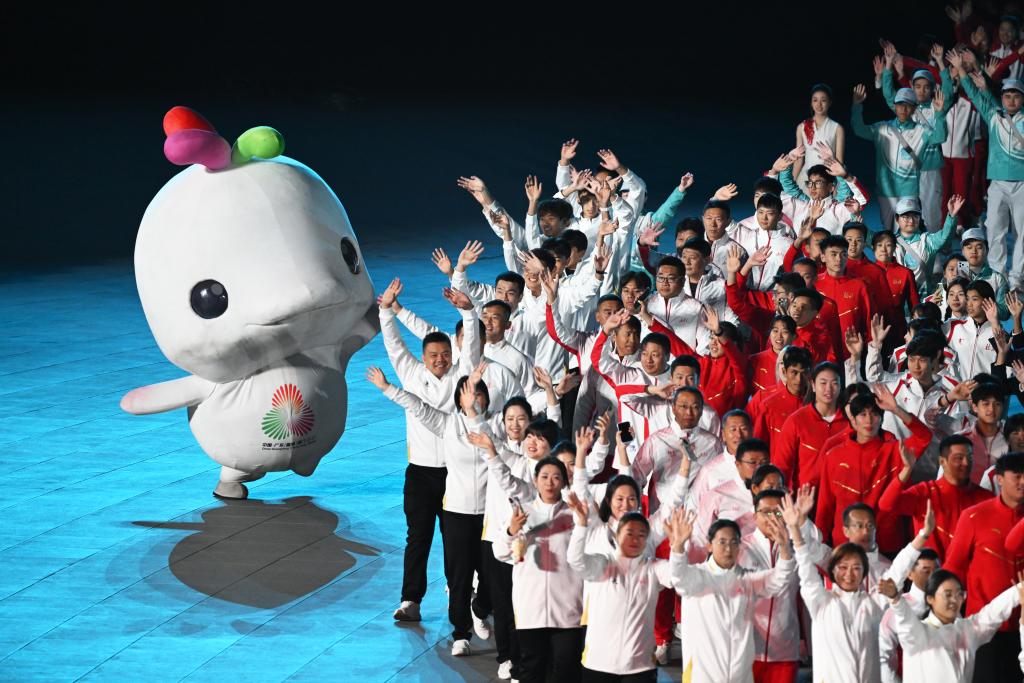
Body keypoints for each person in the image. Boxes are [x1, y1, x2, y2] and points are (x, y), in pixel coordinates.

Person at [367, 363, 494, 656]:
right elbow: (418, 407)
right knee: (459, 576)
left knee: (491, 573)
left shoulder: (495, 426)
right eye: (469, 395)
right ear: (458, 400)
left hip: (491, 513)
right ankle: (461, 633)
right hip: (458, 511)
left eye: (479, 395)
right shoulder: (448, 425)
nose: (474, 400)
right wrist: (387, 388)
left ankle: (481, 606)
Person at [377, 279, 481, 623]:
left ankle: (459, 595)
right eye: (433, 355)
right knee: (418, 537)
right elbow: (394, 345)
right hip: (420, 473)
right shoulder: (410, 373)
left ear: (453, 355)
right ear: (423, 357)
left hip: (456, 473)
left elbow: (472, 349)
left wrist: (469, 312)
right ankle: (411, 600)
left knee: (455, 540)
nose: (440, 360)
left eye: (445, 354)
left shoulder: (462, 376)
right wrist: (386, 311)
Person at [566, 501, 684, 682]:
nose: (635, 539)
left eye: (641, 535)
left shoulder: (653, 568)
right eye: (629, 533)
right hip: (598, 664)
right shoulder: (603, 564)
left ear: (647, 540)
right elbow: (576, 561)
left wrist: (677, 549)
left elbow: (679, 579)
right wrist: (581, 526)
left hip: (640, 666)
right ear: (616, 535)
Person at [671, 510, 795, 683]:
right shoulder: (697, 576)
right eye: (722, 542)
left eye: (734, 542)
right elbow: (678, 577)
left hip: (741, 676)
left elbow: (780, 578)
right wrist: (678, 547)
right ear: (709, 545)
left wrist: (784, 547)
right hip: (703, 677)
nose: (728, 549)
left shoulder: (747, 580)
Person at [491, 456, 584, 683]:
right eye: (544, 477)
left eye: (556, 477)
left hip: (568, 610)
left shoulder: (575, 515)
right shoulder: (522, 514)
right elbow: (500, 552)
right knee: (532, 668)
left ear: (565, 481)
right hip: (530, 609)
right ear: (535, 480)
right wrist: (511, 531)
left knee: (565, 669)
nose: (550, 482)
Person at [786, 494, 894, 683]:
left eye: (870, 526)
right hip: (837, 653)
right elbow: (808, 549)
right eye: (859, 526)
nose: (865, 531)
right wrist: (800, 522)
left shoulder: (887, 568)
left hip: (877, 650)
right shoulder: (833, 558)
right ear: (846, 530)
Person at [815, 388, 932, 554]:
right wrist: (820, 547)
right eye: (862, 414)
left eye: (875, 414)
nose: (869, 420)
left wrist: (896, 409)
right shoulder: (834, 456)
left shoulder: (895, 451)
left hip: (887, 545)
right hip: (844, 547)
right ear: (853, 420)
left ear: (882, 418)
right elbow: (824, 507)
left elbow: (924, 437)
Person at [945, 452, 1024, 682]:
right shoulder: (973, 516)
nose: (1023, 482)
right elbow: (953, 568)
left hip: (1022, 626)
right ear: (999, 478)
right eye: (1017, 476)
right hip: (983, 628)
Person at [949, 50, 1024, 289]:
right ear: (1001, 97)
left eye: (1016, 96)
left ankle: (1017, 278)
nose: (1011, 101)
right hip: (998, 184)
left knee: (1022, 233)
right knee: (994, 231)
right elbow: (973, 93)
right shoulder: (993, 115)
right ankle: (998, 276)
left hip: (1022, 183)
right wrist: (962, 70)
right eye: (1007, 96)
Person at [880, 567, 1024, 682]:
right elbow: (906, 621)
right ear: (930, 598)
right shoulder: (919, 633)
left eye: (959, 594)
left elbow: (993, 613)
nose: (954, 600)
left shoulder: (966, 630)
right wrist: (896, 599)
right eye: (948, 594)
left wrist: (1020, 589)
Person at [851, 81, 948, 231]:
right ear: (895, 106)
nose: (903, 109)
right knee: (889, 232)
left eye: (908, 105)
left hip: (909, 191)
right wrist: (857, 106)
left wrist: (940, 114)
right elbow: (859, 129)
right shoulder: (882, 128)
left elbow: (940, 137)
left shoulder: (921, 131)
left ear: (914, 108)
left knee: (908, 231)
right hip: (886, 191)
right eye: (900, 104)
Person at [878, 434, 993, 559]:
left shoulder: (985, 497)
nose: (966, 463)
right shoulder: (924, 492)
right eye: (959, 458)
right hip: (931, 569)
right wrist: (907, 469)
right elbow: (886, 504)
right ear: (942, 461)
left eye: (969, 457)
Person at [772, 361, 848, 491]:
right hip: (806, 497)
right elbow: (782, 465)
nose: (828, 389)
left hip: (841, 496)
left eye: (834, 383)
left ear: (841, 386)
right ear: (813, 385)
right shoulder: (796, 421)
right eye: (823, 383)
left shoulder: (850, 421)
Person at [878, 549, 940, 683]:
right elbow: (882, 656)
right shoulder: (896, 609)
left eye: (936, 571)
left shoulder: (948, 607)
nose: (933, 577)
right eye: (926, 571)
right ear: (910, 574)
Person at [815, 235, 875, 354]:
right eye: (833, 254)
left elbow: (869, 322)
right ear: (823, 257)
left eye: (843, 254)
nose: (839, 259)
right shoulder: (814, 284)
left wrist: (871, 351)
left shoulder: (859, 286)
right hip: (821, 353)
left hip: (852, 352)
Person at [793, 83, 846, 191]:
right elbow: (799, 160)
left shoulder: (837, 128)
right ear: (811, 103)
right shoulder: (802, 127)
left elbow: (840, 161)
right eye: (815, 100)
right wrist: (791, 184)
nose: (819, 104)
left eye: (823, 100)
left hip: (827, 177)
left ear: (830, 102)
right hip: (806, 178)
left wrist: (836, 186)